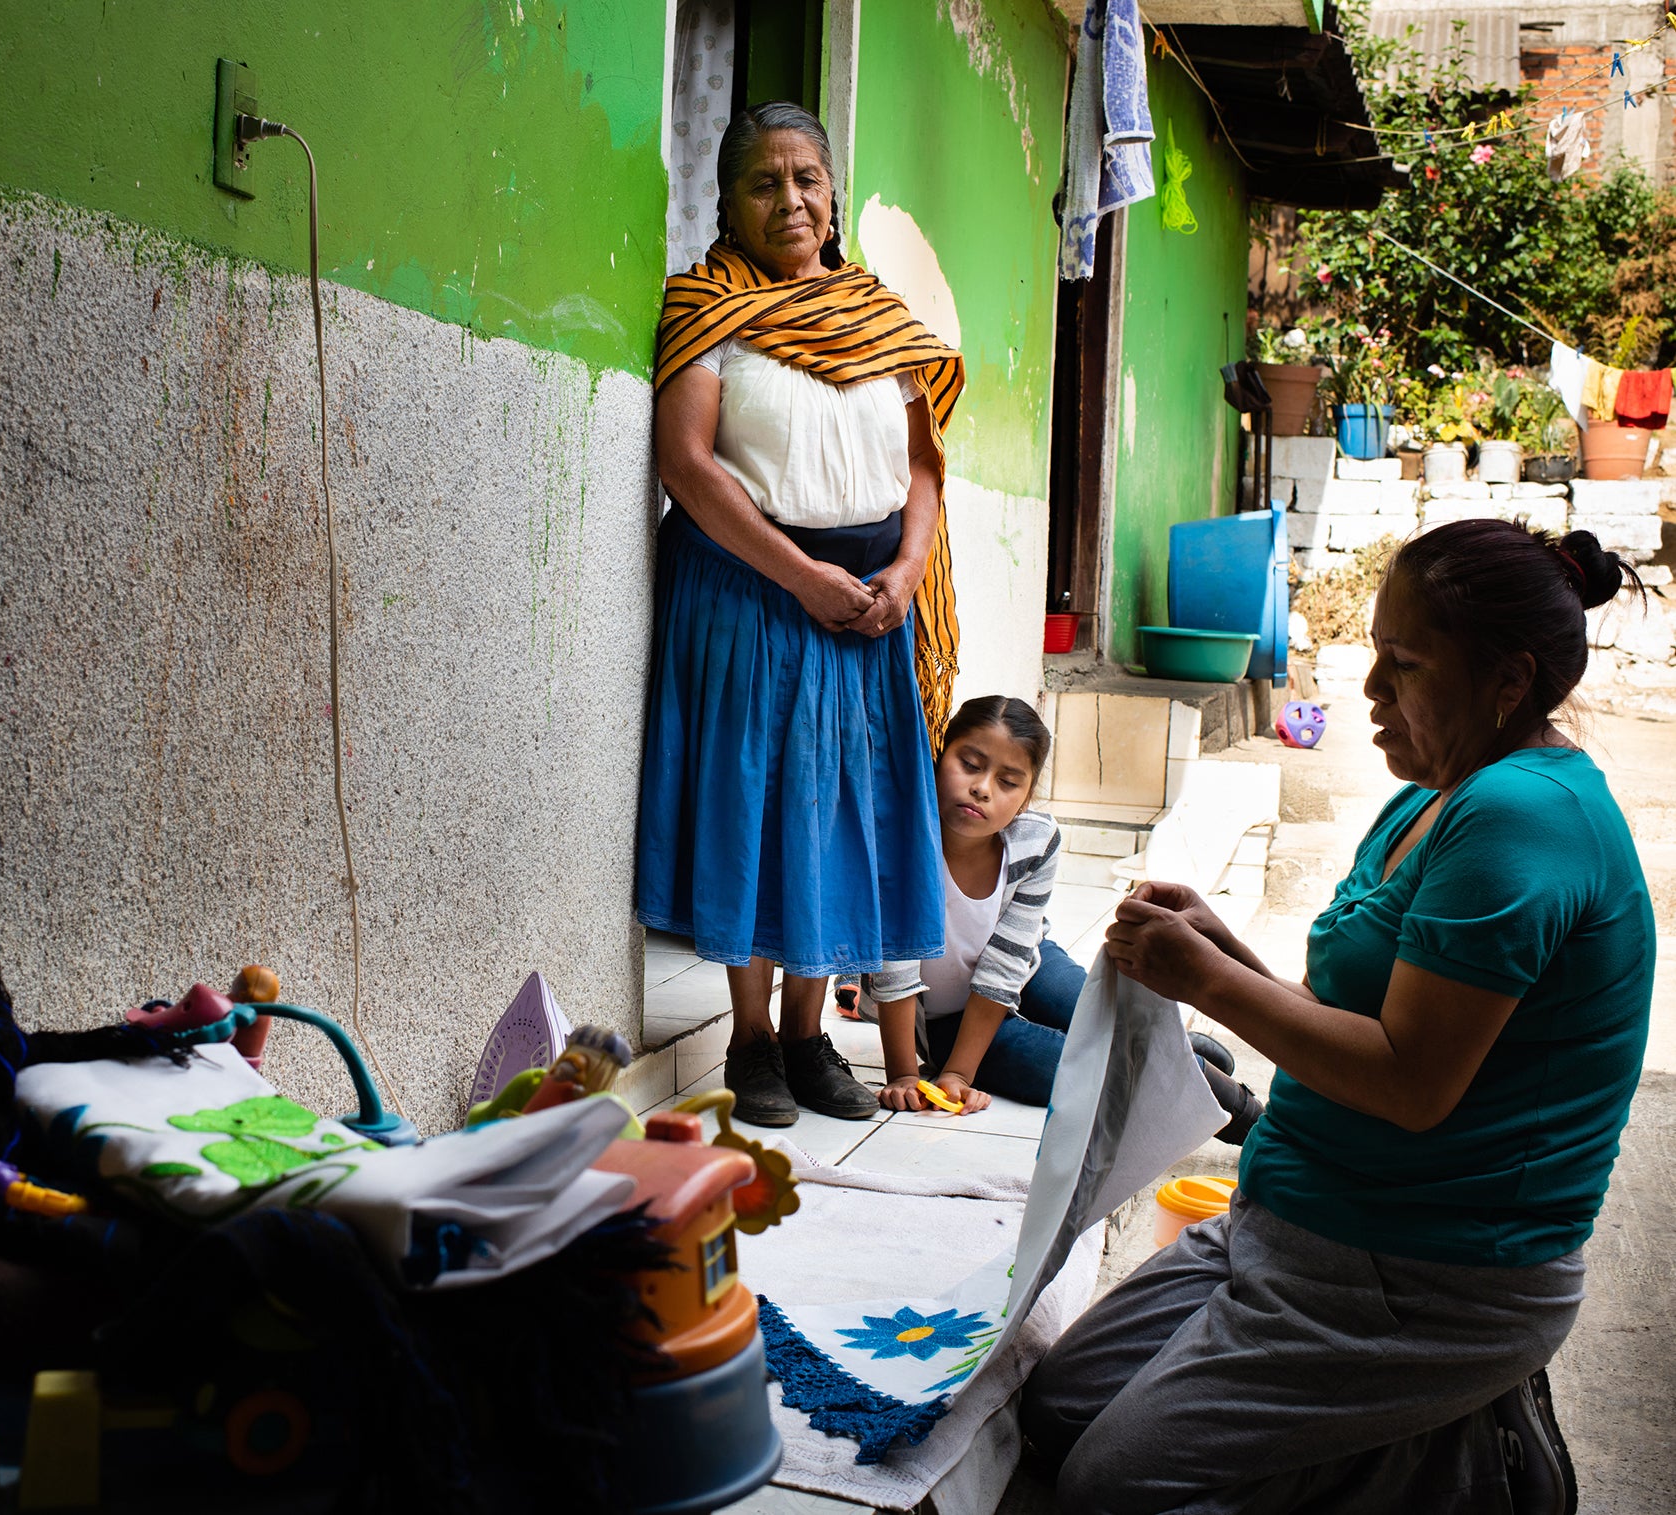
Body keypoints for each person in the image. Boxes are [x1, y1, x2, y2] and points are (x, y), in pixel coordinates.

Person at [1020, 521, 1654, 1515]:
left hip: (1423, 1276)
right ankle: (1390, 1435)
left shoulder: (1520, 818)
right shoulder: (1432, 799)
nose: (1367, 690)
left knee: (1112, 1487)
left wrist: (1211, 986)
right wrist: (1219, 947)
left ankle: (1455, 1445)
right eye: (1373, 652)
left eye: (1400, 664)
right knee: (1055, 1410)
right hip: (1290, 1220)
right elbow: (1341, 1012)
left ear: (1506, 681)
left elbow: (1406, 1083)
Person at [635, 101, 967, 1129]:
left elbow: (920, 461)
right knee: (760, 807)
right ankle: (747, 1040)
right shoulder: (705, 309)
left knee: (837, 811)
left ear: (831, 196)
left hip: (869, 603)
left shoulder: (876, 313)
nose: (791, 200)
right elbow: (687, 464)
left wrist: (907, 569)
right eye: (763, 183)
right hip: (751, 596)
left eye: (807, 179)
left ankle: (810, 1035)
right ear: (728, 204)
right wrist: (799, 577)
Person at [863, 696, 1262, 1136]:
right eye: (970, 764)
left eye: (1008, 782)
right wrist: (912, 1074)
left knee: (1112, 1018)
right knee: (1087, 1071)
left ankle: (1222, 1089)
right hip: (945, 1021)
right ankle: (1235, 1110)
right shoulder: (900, 838)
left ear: (1026, 797)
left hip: (1032, 968)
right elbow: (894, 965)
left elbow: (1005, 965)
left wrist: (959, 1074)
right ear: (939, 757)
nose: (982, 788)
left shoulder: (1035, 839)